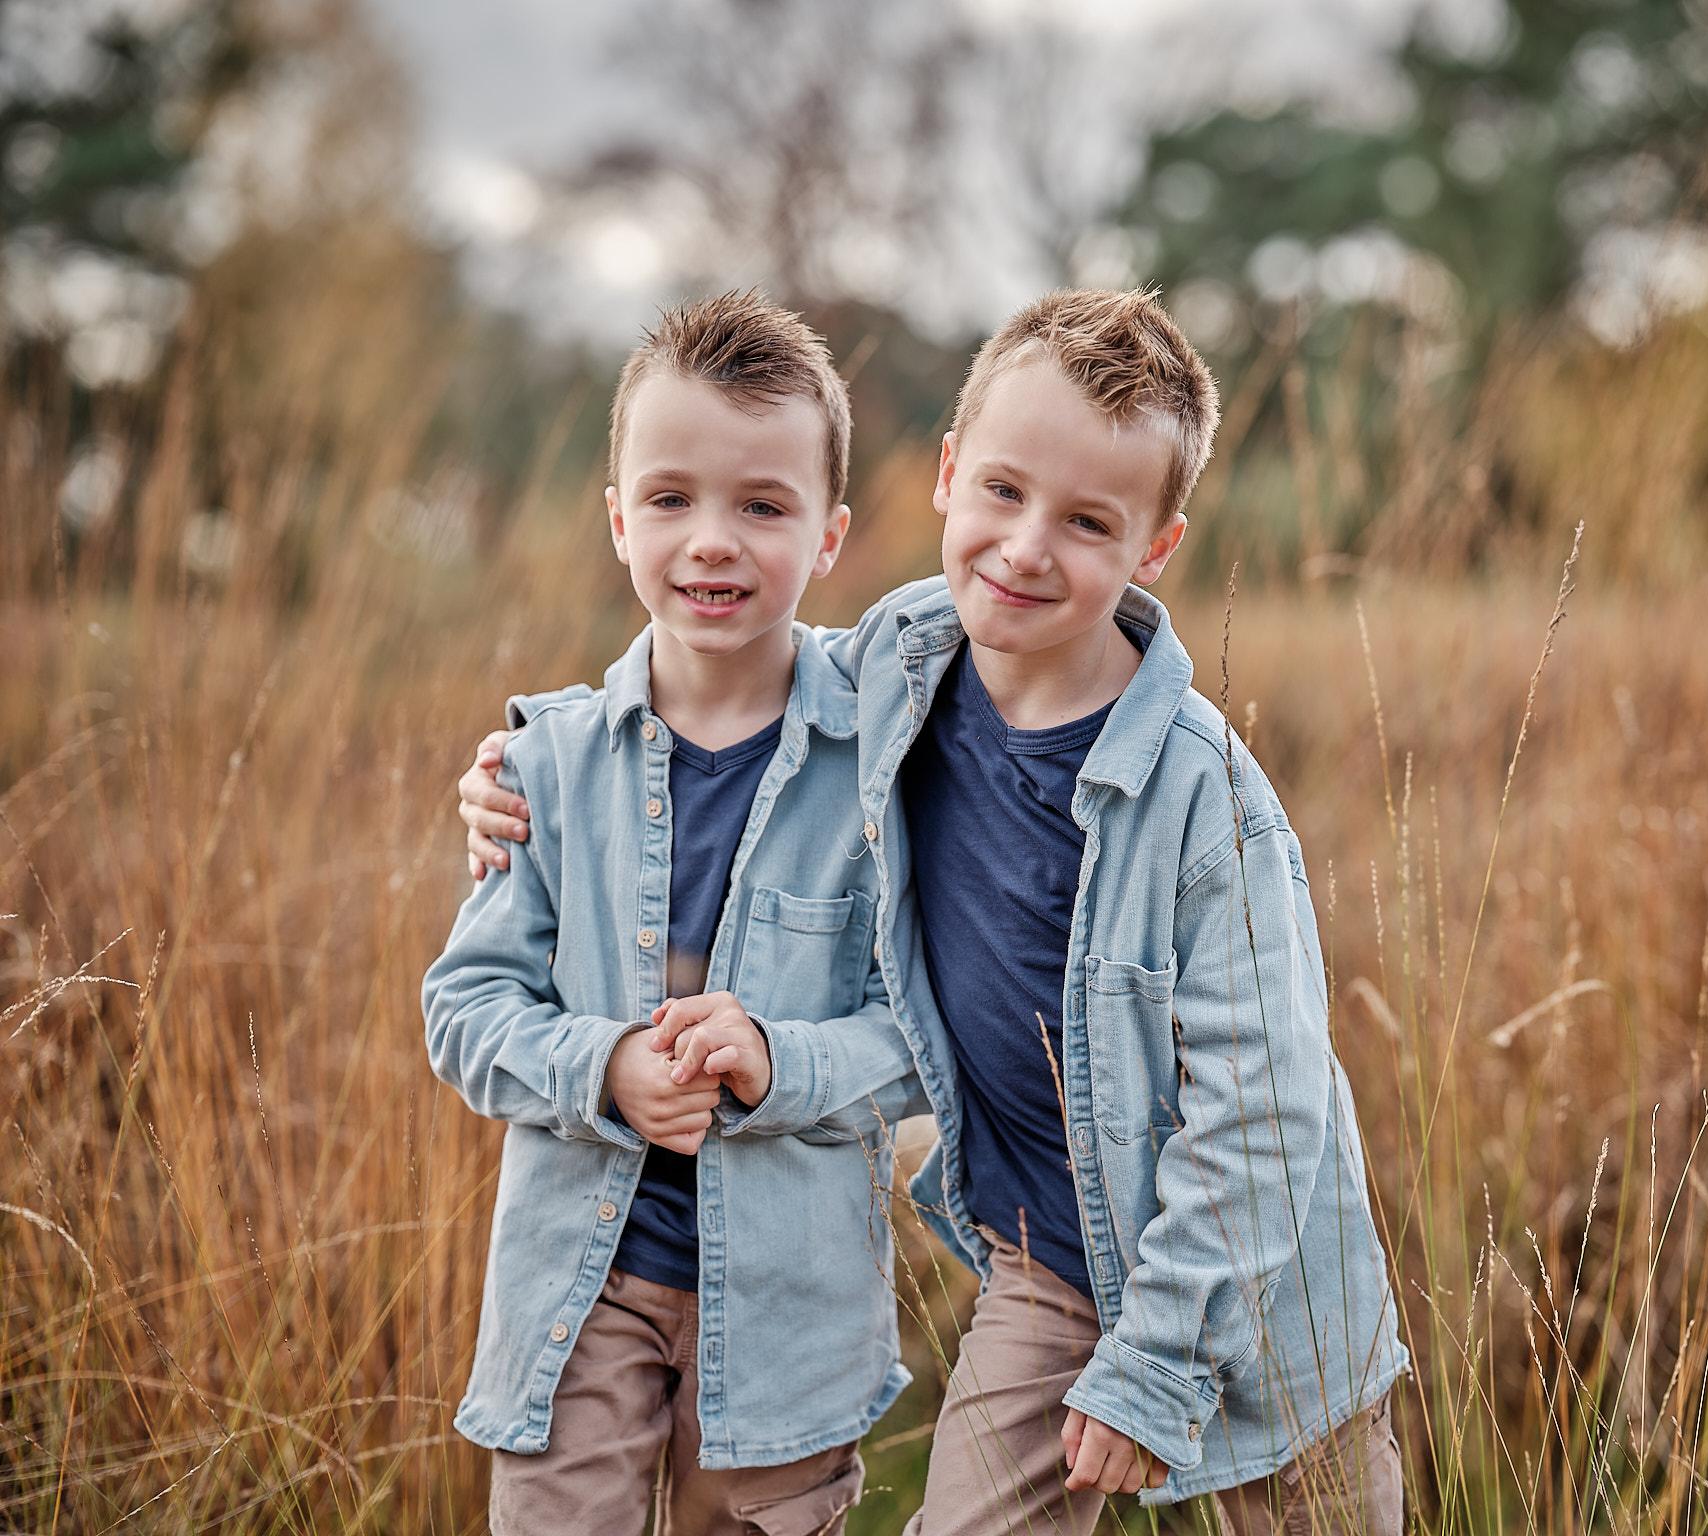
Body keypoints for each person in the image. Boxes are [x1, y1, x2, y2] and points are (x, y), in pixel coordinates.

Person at [461, 289, 1409, 1534]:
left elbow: (1268, 1116)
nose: (1024, 549)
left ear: (1155, 547)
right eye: (1003, 493)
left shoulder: (1205, 802)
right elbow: (720, 673)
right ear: (949, 475)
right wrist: (520, 763)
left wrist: (1162, 1360)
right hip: (1042, 1264)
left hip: (1259, 1297)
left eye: (1086, 522)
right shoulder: (895, 667)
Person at [423, 291, 919, 1536]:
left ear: (829, 535)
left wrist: (777, 1059)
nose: (711, 541)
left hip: (790, 1315)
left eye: (763, 505)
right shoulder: (544, 766)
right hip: (580, 1293)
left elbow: (921, 1033)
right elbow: (464, 1010)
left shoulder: (886, 762)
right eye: (669, 498)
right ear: (615, 520)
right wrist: (602, 1069)